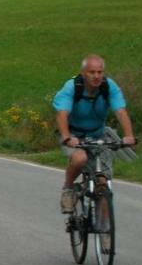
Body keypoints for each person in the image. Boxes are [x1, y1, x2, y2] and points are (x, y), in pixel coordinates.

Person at [53, 54, 136, 213]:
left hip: (98, 135)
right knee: (80, 158)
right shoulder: (72, 87)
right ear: (83, 73)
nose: (97, 76)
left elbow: (120, 112)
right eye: (92, 72)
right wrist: (67, 137)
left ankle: (104, 230)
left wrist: (128, 135)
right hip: (74, 135)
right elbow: (62, 114)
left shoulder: (108, 87)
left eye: (100, 72)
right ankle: (68, 189)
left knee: (103, 183)